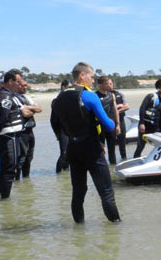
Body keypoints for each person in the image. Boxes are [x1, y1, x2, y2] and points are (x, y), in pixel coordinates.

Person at [51, 62, 121, 223]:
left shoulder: (60, 97)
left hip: (73, 148)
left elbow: (54, 123)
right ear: (81, 76)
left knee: (78, 192)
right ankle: (116, 228)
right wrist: (112, 121)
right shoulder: (89, 95)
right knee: (106, 192)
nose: (93, 80)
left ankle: (79, 227)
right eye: (91, 76)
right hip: (91, 148)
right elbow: (108, 125)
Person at [0, 69, 34, 199]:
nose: (20, 85)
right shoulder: (5, 96)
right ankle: (5, 200)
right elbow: (2, 118)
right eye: (17, 82)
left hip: (8, 136)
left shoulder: (7, 95)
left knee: (5, 167)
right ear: (10, 81)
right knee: (10, 169)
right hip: (8, 136)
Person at [133, 80, 161, 158]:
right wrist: (141, 123)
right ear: (158, 87)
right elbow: (142, 109)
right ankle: (135, 160)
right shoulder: (151, 96)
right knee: (140, 146)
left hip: (159, 128)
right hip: (147, 126)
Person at [14, 76, 42, 180]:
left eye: (26, 85)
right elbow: (25, 114)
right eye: (24, 85)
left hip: (30, 130)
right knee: (22, 157)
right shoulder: (15, 98)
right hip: (21, 131)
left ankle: (26, 180)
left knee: (29, 157)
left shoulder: (26, 97)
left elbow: (39, 109)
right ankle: (16, 179)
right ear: (18, 85)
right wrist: (30, 109)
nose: (26, 87)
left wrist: (28, 107)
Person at [96, 76, 121, 165]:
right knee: (101, 150)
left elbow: (115, 110)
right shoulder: (95, 96)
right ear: (100, 85)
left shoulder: (111, 95)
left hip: (111, 125)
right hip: (99, 127)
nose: (108, 85)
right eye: (106, 84)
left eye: (109, 83)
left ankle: (112, 168)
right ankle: (102, 167)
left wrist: (118, 125)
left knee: (112, 150)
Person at [51, 80, 70, 173]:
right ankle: (58, 173)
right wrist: (56, 133)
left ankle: (66, 172)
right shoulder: (56, 101)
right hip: (62, 130)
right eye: (68, 87)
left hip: (72, 130)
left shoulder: (71, 99)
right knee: (64, 153)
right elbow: (53, 120)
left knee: (71, 153)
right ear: (63, 87)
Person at [112, 81, 129, 161]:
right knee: (111, 144)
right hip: (110, 122)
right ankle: (112, 162)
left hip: (121, 120)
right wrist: (119, 106)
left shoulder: (119, 94)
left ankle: (124, 159)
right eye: (107, 84)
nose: (110, 85)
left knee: (122, 142)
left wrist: (116, 112)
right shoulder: (104, 95)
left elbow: (126, 106)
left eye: (111, 83)